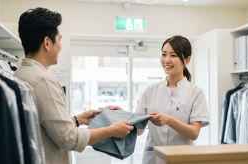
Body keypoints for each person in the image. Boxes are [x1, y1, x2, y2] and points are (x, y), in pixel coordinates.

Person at [14, 8, 134, 164]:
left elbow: (41, 127)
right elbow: (69, 138)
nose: (61, 47)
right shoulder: (43, 81)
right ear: (47, 43)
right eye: (59, 39)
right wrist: (111, 131)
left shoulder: (19, 75)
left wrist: (78, 120)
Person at [107, 35, 210, 164]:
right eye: (164, 54)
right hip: (153, 158)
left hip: (183, 158)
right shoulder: (150, 91)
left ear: (187, 60)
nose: (167, 60)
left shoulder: (196, 92)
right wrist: (121, 113)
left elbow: (194, 133)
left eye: (173, 55)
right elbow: (139, 130)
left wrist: (168, 120)